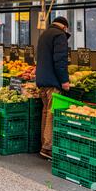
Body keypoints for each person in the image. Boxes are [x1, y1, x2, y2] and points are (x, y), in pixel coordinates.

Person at [36, 17, 71, 159]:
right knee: (51, 114)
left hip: (42, 81)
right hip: (52, 82)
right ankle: (47, 148)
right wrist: (64, 80)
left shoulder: (44, 34)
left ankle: (44, 143)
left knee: (45, 112)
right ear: (65, 27)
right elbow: (60, 60)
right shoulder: (59, 35)